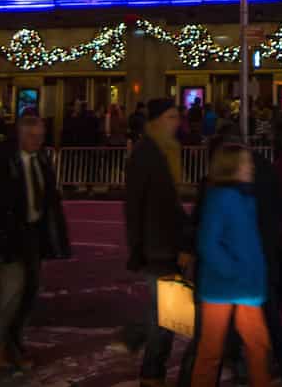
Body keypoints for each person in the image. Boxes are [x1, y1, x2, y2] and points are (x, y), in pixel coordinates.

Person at [0, 113, 71, 373]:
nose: (37, 141)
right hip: (9, 236)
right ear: (19, 134)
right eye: (32, 136)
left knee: (30, 291)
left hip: (33, 235)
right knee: (12, 294)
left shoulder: (41, 159)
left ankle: (14, 342)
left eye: (40, 136)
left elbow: (49, 198)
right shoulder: (4, 161)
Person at [124, 97, 194, 387]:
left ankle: (148, 360)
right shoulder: (147, 154)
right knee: (168, 316)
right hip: (158, 247)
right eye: (170, 117)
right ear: (155, 121)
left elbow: (171, 205)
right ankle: (152, 372)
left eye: (177, 117)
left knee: (169, 314)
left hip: (165, 245)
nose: (176, 123)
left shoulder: (166, 151)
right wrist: (139, 247)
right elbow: (136, 205)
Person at [191, 144, 271, 387]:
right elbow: (207, 242)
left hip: (237, 284)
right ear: (232, 166)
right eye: (245, 162)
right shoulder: (224, 197)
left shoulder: (242, 196)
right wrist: (235, 271)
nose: (251, 166)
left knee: (251, 346)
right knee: (217, 350)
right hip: (229, 284)